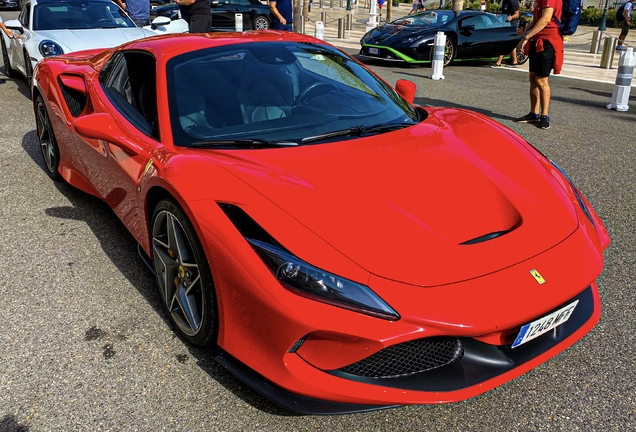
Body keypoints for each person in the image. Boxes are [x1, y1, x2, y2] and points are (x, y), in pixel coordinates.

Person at [515, 0, 563, 129]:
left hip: (548, 41)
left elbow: (546, 19)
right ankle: (533, 112)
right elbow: (537, 20)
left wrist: (526, 37)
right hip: (537, 39)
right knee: (533, 77)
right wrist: (525, 31)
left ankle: (544, 115)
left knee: (541, 80)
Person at [490, 0, 519, 67]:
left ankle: (498, 62)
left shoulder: (512, 1)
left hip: (511, 25)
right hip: (505, 23)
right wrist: (499, 15)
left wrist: (511, 17)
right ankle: (514, 62)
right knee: (510, 43)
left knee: (504, 41)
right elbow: (503, 12)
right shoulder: (504, 1)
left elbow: (517, 14)